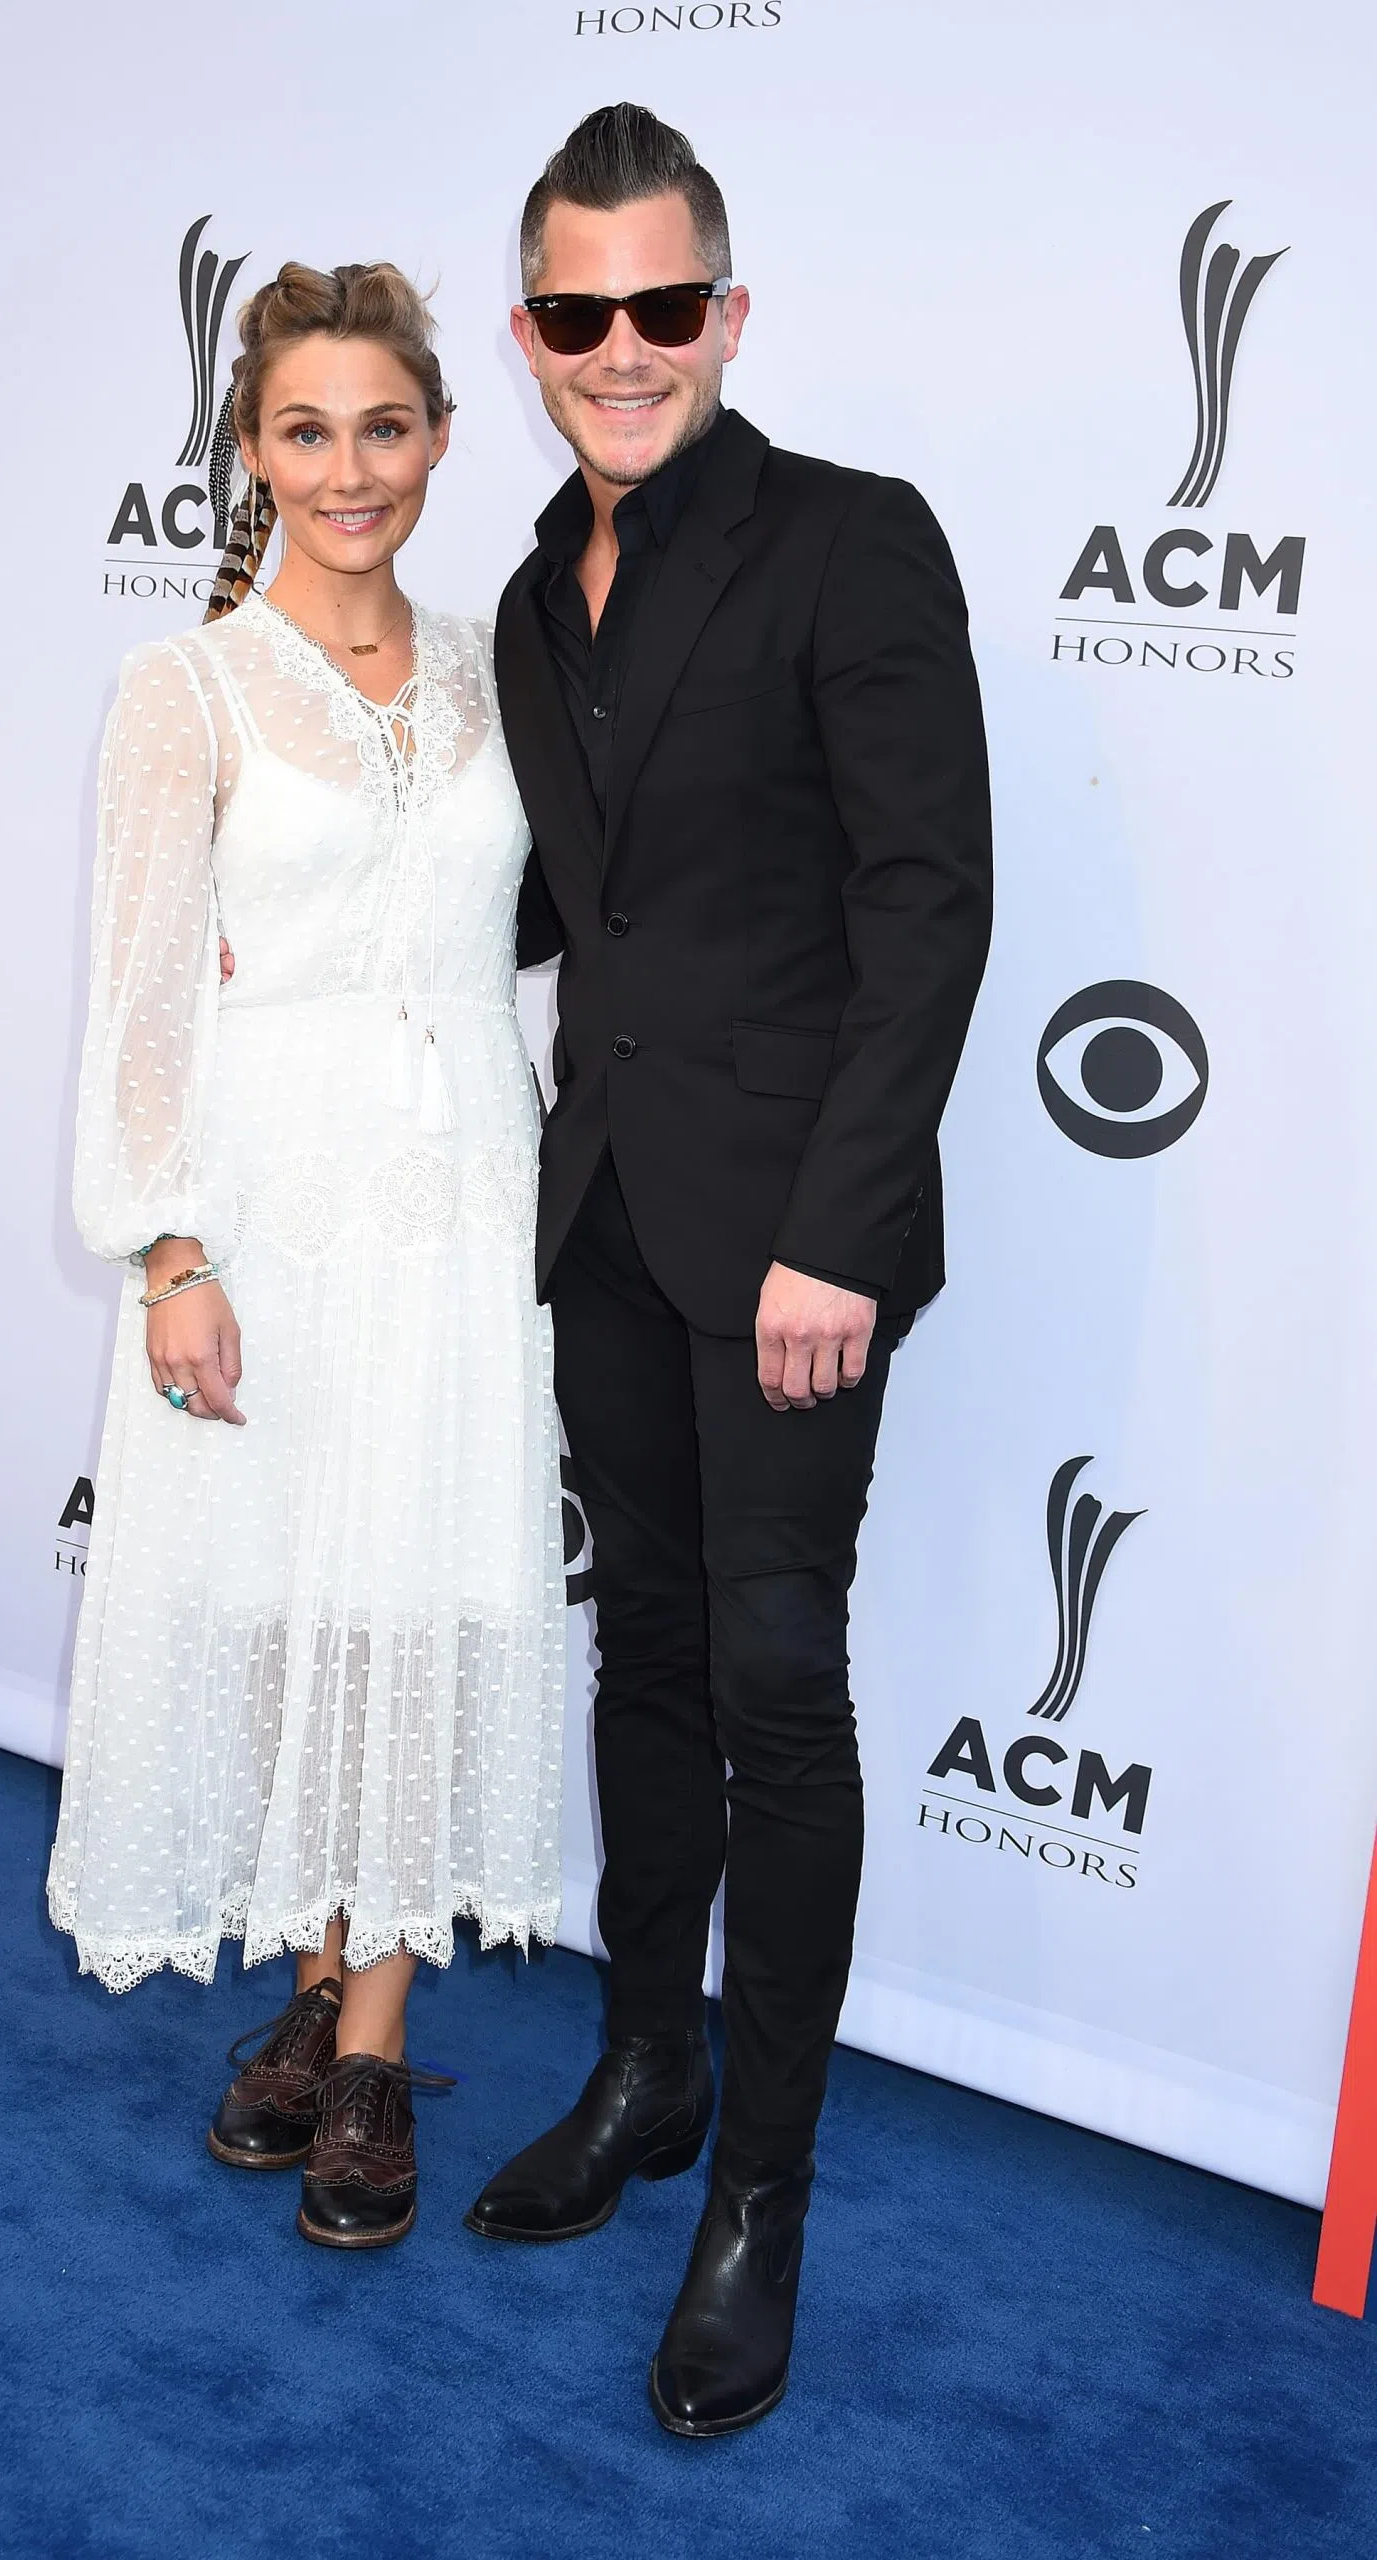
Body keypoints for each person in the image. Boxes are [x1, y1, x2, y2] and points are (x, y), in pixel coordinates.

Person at [465, 107, 993, 2434]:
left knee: (778, 1693)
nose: (621, 347)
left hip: (788, 1249)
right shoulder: (520, 598)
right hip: (600, 1220)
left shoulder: (849, 541)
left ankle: (757, 2194)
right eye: (576, 311)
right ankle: (644, 2063)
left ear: (726, 314)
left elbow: (924, 907)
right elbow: (553, 902)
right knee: (649, 1663)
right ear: (526, 333)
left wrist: (836, 1233)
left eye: (660, 305)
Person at [47, 262, 566, 2252]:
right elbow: (141, 990)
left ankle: (364, 2043)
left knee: (414, 1602)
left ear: (438, 437)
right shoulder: (181, 689)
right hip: (266, 1201)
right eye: (304, 431)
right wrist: (167, 1247)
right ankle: (309, 1975)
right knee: (279, 1602)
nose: (349, 470)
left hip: (465, 1199)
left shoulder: (499, 666)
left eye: (383, 427)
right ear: (251, 454)